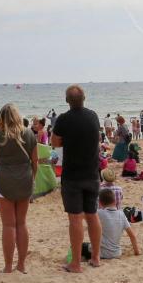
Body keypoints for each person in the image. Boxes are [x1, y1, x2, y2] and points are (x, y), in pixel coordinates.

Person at [52, 85, 103, 273]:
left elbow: (55, 143)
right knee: (92, 214)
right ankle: (96, 257)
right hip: (92, 173)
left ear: (67, 101)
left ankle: (75, 264)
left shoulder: (63, 120)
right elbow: (96, 137)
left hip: (72, 175)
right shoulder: (93, 116)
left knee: (75, 219)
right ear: (84, 98)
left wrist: (68, 141)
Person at [0, 103, 38, 274]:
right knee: (21, 223)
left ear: (1, 118)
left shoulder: (0, 135)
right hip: (24, 180)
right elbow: (35, 161)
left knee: (8, 225)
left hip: (3, 182)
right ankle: (21, 265)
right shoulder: (29, 133)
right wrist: (32, 180)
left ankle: (8, 266)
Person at [95, 187, 141, 260]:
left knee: (80, 246)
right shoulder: (121, 214)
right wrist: (137, 252)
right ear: (115, 201)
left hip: (102, 253)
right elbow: (132, 236)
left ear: (100, 203)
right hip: (116, 253)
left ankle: (70, 261)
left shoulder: (99, 213)